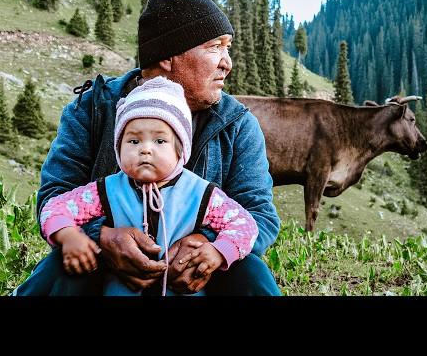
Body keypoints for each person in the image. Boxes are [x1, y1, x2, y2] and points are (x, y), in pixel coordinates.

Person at [14, 0, 281, 296]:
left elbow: (259, 216)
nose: (227, 63)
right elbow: (54, 198)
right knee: (63, 265)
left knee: (250, 271)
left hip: (198, 275)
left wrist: (207, 245)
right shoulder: (94, 108)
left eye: (227, 47)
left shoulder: (236, 124)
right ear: (168, 57)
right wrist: (101, 237)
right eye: (214, 47)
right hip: (104, 270)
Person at [24, 76, 258, 295]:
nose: (145, 149)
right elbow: (55, 208)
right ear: (119, 148)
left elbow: (245, 225)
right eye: (133, 140)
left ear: (180, 150)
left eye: (160, 141)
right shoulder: (104, 191)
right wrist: (68, 235)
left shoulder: (202, 194)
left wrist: (218, 251)